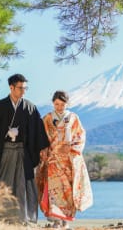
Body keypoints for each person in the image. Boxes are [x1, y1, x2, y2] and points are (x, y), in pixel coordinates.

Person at [0, 74, 49, 225]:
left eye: (25, 88)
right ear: (11, 87)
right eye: (21, 88)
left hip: (23, 152)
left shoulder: (30, 107)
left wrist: (42, 148)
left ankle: (22, 218)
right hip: (5, 151)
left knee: (23, 184)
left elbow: (38, 130)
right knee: (2, 183)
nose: (24, 91)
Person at [36, 90, 93, 229]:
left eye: (62, 104)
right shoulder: (47, 118)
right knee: (53, 192)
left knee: (67, 191)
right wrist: (44, 153)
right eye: (56, 104)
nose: (59, 107)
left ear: (67, 104)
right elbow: (41, 138)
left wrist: (71, 149)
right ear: (53, 103)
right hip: (53, 160)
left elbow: (80, 135)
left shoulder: (73, 118)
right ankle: (56, 220)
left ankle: (66, 221)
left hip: (68, 160)